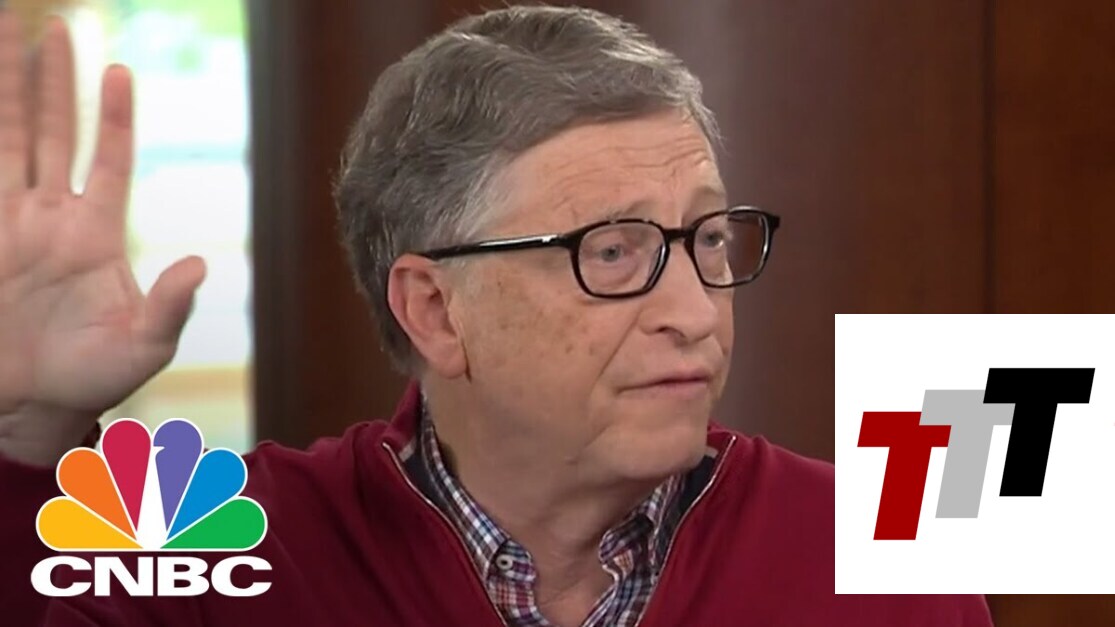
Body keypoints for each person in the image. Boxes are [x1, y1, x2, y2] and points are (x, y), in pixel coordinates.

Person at [0, 5, 993, 626]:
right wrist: (31, 435)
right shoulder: (224, 550)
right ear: (434, 310)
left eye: (705, 240)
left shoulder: (884, 567)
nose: (693, 312)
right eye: (613, 252)